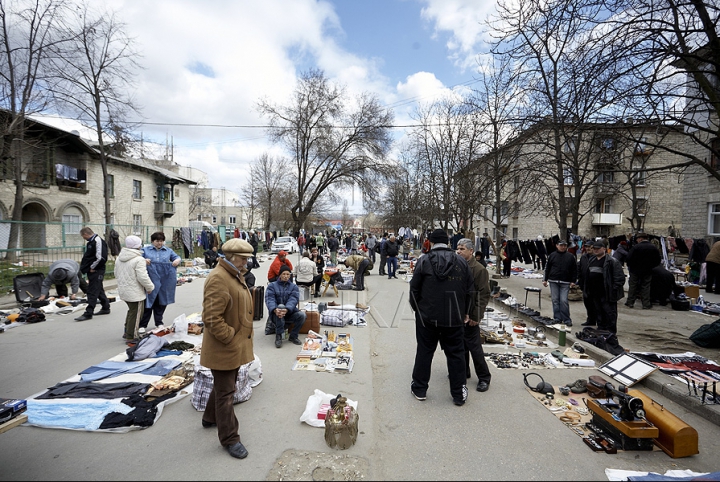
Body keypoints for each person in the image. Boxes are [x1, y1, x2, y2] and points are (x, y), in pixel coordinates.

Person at [200, 238, 255, 460]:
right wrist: (230, 337)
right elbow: (211, 318)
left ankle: (209, 418)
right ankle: (230, 438)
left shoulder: (232, 274)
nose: (247, 263)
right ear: (232, 258)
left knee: (225, 385)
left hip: (231, 346)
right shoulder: (219, 278)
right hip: (224, 347)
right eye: (244, 259)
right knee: (226, 394)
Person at [410, 229, 474, 406]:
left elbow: (414, 289)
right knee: (456, 354)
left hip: (427, 317)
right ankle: (458, 393)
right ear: (448, 242)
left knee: (424, 351)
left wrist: (418, 310)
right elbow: (470, 291)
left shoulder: (423, 261)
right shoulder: (462, 262)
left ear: (429, 242)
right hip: (454, 317)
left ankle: (420, 389)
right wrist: (465, 312)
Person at [456, 238, 492, 392]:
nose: (458, 251)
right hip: (458, 313)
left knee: (475, 348)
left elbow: (484, 295)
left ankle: (484, 377)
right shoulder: (456, 265)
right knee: (460, 345)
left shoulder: (479, 270)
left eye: (462, 249)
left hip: (471, 314)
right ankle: (464, 371)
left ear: (471, 251)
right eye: (457, 248)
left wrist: (476, 316)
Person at [576, 240, 625, 333]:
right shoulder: (592, 260)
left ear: (604, 249)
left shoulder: (612, 261)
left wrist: (613, 289)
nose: (596, 250)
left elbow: (619, 278)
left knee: (609, 313)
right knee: (599, 312)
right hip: (594, 292)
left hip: (607, 293)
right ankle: (601, 328)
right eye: (594, 248)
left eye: (598, 249)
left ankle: (610, 331)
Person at [115, 236, 155, 342]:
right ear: (139, 246)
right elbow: (142, 277)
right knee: (137, 313)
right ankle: (132, 336)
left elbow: (116, 273)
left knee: (131, 311)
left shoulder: (119, 258)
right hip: (135, 291)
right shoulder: (139, 259)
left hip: (124, 289)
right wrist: (150, 287)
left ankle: (127, 331)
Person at [139, 231, 181, 333]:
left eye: (161, 241)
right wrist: (143, 260)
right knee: (149, 301)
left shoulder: (168, 251)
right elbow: (137, 259)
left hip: (164, 279)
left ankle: (159, 322)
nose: (159, 243)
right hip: (150, 278)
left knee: (161, 301)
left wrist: (177, 261)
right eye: (157, 241)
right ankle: (142, 324)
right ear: (153, 241)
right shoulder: (145, 250)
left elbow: (177, 258)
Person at [74, 227, 111, 321]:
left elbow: (101, 258)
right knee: (98, 289)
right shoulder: (91, 242)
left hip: (96, 270)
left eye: (83, 236)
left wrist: (92, 267)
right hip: (93, 270)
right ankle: (105, 307)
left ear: (86, 234)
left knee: (92, 291)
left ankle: (88, 313)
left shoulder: (97, 241)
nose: (83, 238)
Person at [265, 265, 306, 348]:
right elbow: (270, 299)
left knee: (302, 315)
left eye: (288, 274)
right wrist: (275, 309)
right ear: (280, 275)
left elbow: (293, 299)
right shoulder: (272, 286)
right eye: (284, 274)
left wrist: (287, 309)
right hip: (276, 314)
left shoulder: (293, 287)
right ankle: (279, 336)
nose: (286, 276)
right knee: (280, 306)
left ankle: (293, 336)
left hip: (289, 312)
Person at [542, 239, 577, 327]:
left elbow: (574, 270)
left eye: (565, 245)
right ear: (557, 246)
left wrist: (573, 281)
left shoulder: (570, 256)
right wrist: (545, 279)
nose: (563, 247)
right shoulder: (552, 255)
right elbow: (547, 268)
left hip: (565, 282)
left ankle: (566, 319)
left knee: (564, 300)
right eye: (561, 245)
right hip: (553, 281)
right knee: (555, 300)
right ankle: (557, 318)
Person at [625, 233, 661, 309]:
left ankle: (630, 302)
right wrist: (651, 266)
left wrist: (631, 266)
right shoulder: (653, 248)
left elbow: (628, 258)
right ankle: (646, 304)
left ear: (640, 239)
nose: (637, 241)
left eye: (637, 239)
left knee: (633, 286)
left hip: (635, 270)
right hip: (648, 270)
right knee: (646, 287)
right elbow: (658, 260)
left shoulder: (636, 247)